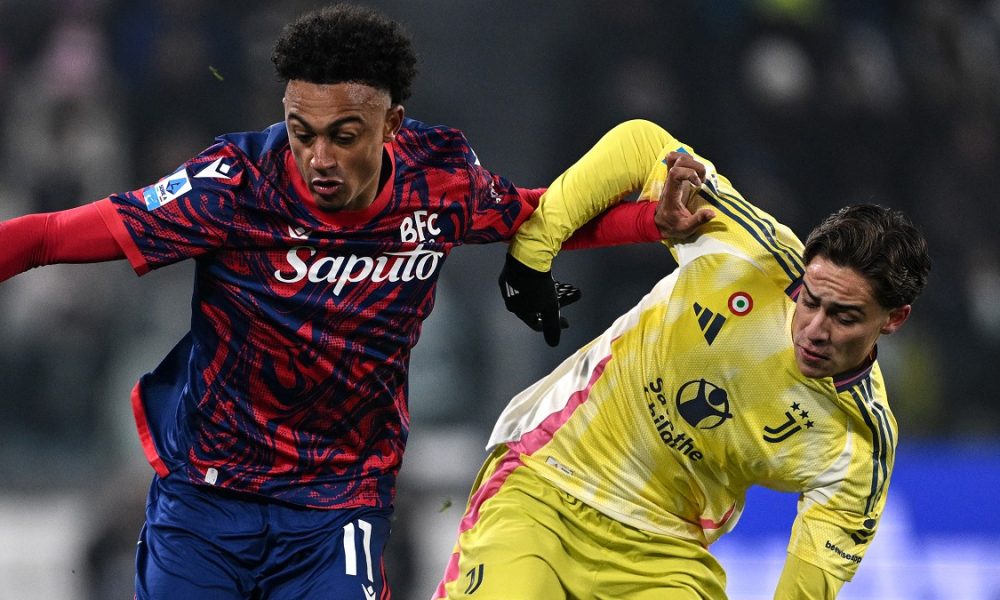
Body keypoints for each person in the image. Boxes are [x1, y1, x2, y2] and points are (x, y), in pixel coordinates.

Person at [0, 5, 659, 599]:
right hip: (208, 499)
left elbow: (544, 216)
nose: (318, 158)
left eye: (343, 136)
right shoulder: (232, 185)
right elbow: (49, 236)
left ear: (391, 124)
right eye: (301, 132)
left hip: (338, 504)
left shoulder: (438, 178)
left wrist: (657, 220)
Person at [435, 119, 931, 599]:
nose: (815, 329)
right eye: (811, 301)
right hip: (546, 478)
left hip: (664, 549)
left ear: (893, 319)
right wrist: (534, 250)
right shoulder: (746, 249)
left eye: (844, 317)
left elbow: (806, 588)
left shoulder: (858, 445)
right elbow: (640, 142)